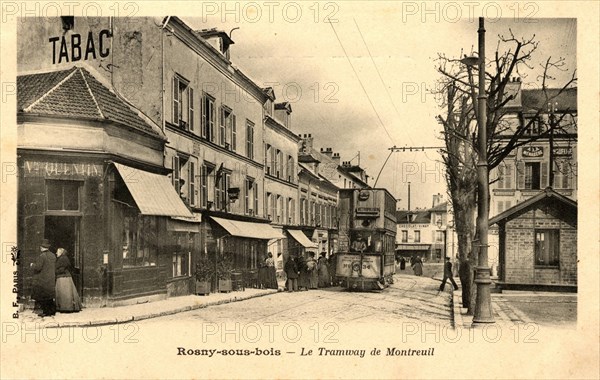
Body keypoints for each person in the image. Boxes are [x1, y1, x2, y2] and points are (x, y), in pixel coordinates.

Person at [30, 239, 57, 317]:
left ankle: (46, 312)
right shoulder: (53, 255)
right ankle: (52, 311)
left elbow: (38, 268)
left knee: (43, 296)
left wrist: (32, 265)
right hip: (51, 278)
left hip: (43, 279)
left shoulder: (42, 256)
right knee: (49, 296)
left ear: (41, 247)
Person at [55, 248, 82, 312]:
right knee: (67, 292)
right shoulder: (64, 258)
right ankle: (67, 307)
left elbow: (62, 269)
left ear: (61, 253)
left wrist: (55, 271)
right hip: (65, 277)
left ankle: (66, 307)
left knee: (64, 292)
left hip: (63, 278)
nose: (56, 253)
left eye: (57, 252)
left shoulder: (62, 259)